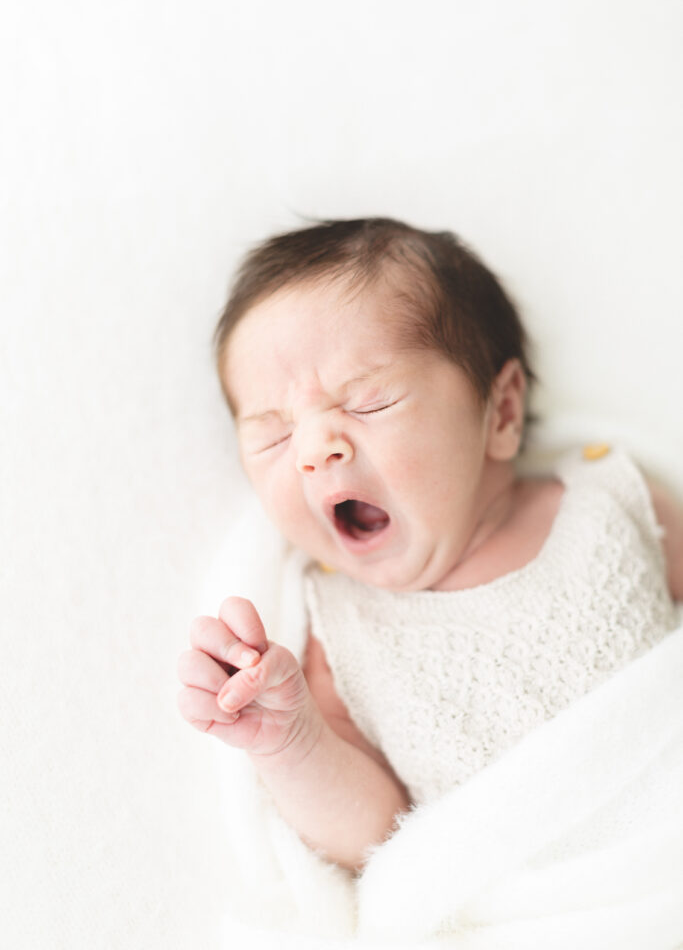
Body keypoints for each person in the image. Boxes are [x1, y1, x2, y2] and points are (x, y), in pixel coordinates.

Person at [177, 217, 683, 874]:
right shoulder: (336, 636)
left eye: (367, 402)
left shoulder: (608, 501)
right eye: (272, 437)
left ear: (498, 414)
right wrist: (291, 740)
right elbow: (376, 838)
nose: (312, 450)